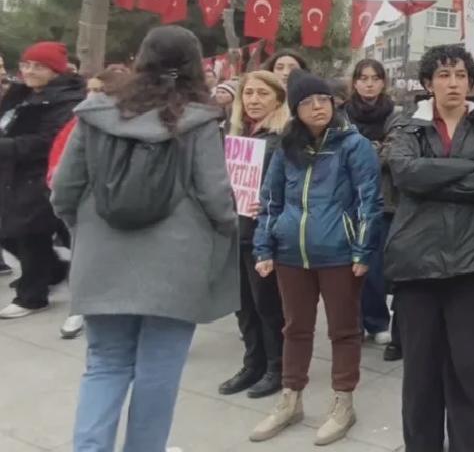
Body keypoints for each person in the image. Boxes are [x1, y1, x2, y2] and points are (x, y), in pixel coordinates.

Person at [50, 26, 238, 451]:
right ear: (195, 65)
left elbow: (64, 188)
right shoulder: (200, 120)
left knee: (103, 364)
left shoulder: (95, 112)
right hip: (178, 262)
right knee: (160, 373)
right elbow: (215, 196)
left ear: (141, 58)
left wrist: (82, 229)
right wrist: (227, 231)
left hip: (102, 258)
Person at [385, 45, 474, 452]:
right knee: (419, 372)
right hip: (415, 263)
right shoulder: (408, 125)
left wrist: (435, 179)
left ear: (470, 82)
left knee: (468, 369)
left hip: (469, 264)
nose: (452, 83)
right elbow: (405, 173)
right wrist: (466, 169)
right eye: (443, 75)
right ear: (427, 83)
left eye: (459, 75)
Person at [250, 72, 384, 445]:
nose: (318, 107)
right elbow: (271, 200)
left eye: (324, 99)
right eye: (308, 102)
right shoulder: (284, 148)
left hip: (339, 253)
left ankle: (343, 401)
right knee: (295, 328)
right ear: (295, 109)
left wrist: (362, 249)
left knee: (343, 330)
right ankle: (290, 399)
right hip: (291, 252)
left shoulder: (353, 145)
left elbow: (368, 200)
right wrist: (264, 246)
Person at [218, 71, 291, 400]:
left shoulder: (286, 138)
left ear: (277, 98)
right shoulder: (232, 135)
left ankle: (277, 366)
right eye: (248, 93)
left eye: (263, 93)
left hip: (265, 233)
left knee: (267, 304)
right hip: (233, 230)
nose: (254, 100)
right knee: (242, 304)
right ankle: (253, 363)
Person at [45, 67, 131, 341]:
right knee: (85, 264)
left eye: (100, 91)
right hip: (83, 210)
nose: (92, 96)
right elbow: (61, 165)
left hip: (120, 209)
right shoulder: (80, 122)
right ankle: (79, 309)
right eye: (90, 89)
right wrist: (67, 209)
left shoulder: (134, 125)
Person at [0, 41, 84, 319]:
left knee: (29, 234)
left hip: (38, 176)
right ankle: (51, 270)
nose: (29, 71)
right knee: (13, 233)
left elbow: (46, 141)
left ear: (55, 70)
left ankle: (31, 297)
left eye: (38, 66)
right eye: (26, 64)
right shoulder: (20, 92)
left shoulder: (67, 99)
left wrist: (6, 146)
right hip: (11, 172)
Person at [342, 60, 397, 353]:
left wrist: (360, 148)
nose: (369, 84)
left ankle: (377, 321)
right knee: (346, 267)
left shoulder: (395, 114)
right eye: (363, 78)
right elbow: (340, 152)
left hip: (383, 199)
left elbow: (392, 154)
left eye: (375, 78)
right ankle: (354, 321)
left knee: (374, 265)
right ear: (354, 82)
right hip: (346, 198)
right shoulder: (341, 115)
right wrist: (371, 149)